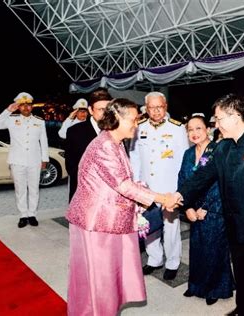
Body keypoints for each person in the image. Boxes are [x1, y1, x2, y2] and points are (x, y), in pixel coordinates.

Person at [65, 98, 180, 315]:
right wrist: (162, 198)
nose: (136, 125)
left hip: (108, 219)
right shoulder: (106, 145)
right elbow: (122, 184)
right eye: (133, 120)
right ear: (116, 118)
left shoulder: (114, 141)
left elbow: (122, 180)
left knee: (108, 277)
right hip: (97, 223)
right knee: (102, 279)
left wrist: (143, 193)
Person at [175, 94, 244, 316]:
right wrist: (179, 196)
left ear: (235, 117)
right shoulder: (223, 148)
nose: (216, 124)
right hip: (234, 226)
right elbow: (202, 177)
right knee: (243, 276)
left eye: (219, 119)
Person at [129, 91, 189, 280]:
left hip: (169, 188)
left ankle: (172, 262)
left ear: (165, 107)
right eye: (151, 107)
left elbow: (183, 160)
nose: (155, 111)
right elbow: (134, 157)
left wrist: (180, 189)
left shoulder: (177, 128)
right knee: (148, 224)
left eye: (159, 107)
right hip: (146, 188)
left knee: (171, 226)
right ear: (146, 109)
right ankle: (154, 259)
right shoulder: (138, 127)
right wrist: (137, 185)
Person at [178, 113, 235, 306]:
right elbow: (183, 181)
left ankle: (216, 288)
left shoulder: (219, 150)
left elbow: (222, 183)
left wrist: (206, 208)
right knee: (197, 248)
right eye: (190, 130)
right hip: (194, 210)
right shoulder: (188, 153)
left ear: (208, 129)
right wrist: (187, 208)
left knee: (215, 249)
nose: (194, 133)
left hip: (215, 209)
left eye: (198, 128)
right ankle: (196, 285)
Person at [0, 92, 49, 228]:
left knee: (34, 189)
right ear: (18, 107)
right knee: (20, 189)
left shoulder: (39, 121)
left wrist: (44, 159)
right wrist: (7, 111)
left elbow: (44, 141)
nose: (26, 107)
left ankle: (32, 214)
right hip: (17, 160)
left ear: (32, 106)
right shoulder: (11, 119)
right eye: (22, 105)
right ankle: (23, 215)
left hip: (34, 161)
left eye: (28, 105)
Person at [65, 88, 112, 201]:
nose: (105, 114)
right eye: (101, 109)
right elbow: (71, 165)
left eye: (108, 110)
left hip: (109, 193)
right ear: (90, 110)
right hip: (84, 192)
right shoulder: (75, 131)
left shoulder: (115, 130)